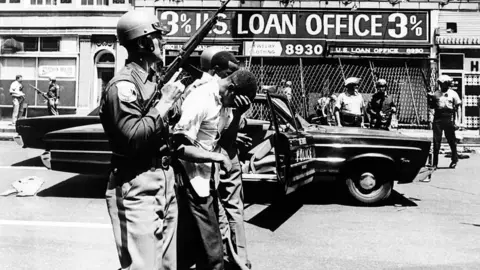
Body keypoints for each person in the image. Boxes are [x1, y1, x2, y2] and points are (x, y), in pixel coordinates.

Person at [99, 10, 185, 270]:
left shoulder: (153, 81)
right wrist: (165, 102)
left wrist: (174, 104)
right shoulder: (123, 86)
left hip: (165, 180)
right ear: (144, 42)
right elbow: (134, 137)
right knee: (143, 266)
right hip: (137, 183)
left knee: (167, 266)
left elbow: (165, 125)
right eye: (159, 37)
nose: (164, 42)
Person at [173, 69, 257, 270]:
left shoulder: (225, 102)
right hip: (191, 180)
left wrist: (237, 114)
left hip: (208, 180)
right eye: (236, 102)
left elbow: (222, 139)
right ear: (231, 89)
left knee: (199, 247)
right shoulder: (202, 98)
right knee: (213, 255)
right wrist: (216, 156)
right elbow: (178, 145)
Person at [199, 47, 253, 270]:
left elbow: (228, 134)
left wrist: (238, 115)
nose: (232, 76)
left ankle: (239, 259)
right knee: (211, 212)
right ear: (214, 69)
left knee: (233, 209)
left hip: (226, 154)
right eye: (228, 71)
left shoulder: (231, 91)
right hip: (206, 157)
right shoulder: (202, 91)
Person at [427, 75, 462, 169]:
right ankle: (435, 163)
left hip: (448, 117)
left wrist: (458, 121)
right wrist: (431, 118)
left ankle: (454, 159)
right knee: (436, 141)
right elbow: (432, 107)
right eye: (441, 84)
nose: (443, 86)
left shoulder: (453, 94)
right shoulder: (436, 93)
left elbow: (458, 108)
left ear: (448, 84)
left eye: (445, 84)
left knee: (451, 140)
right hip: (438, 118)